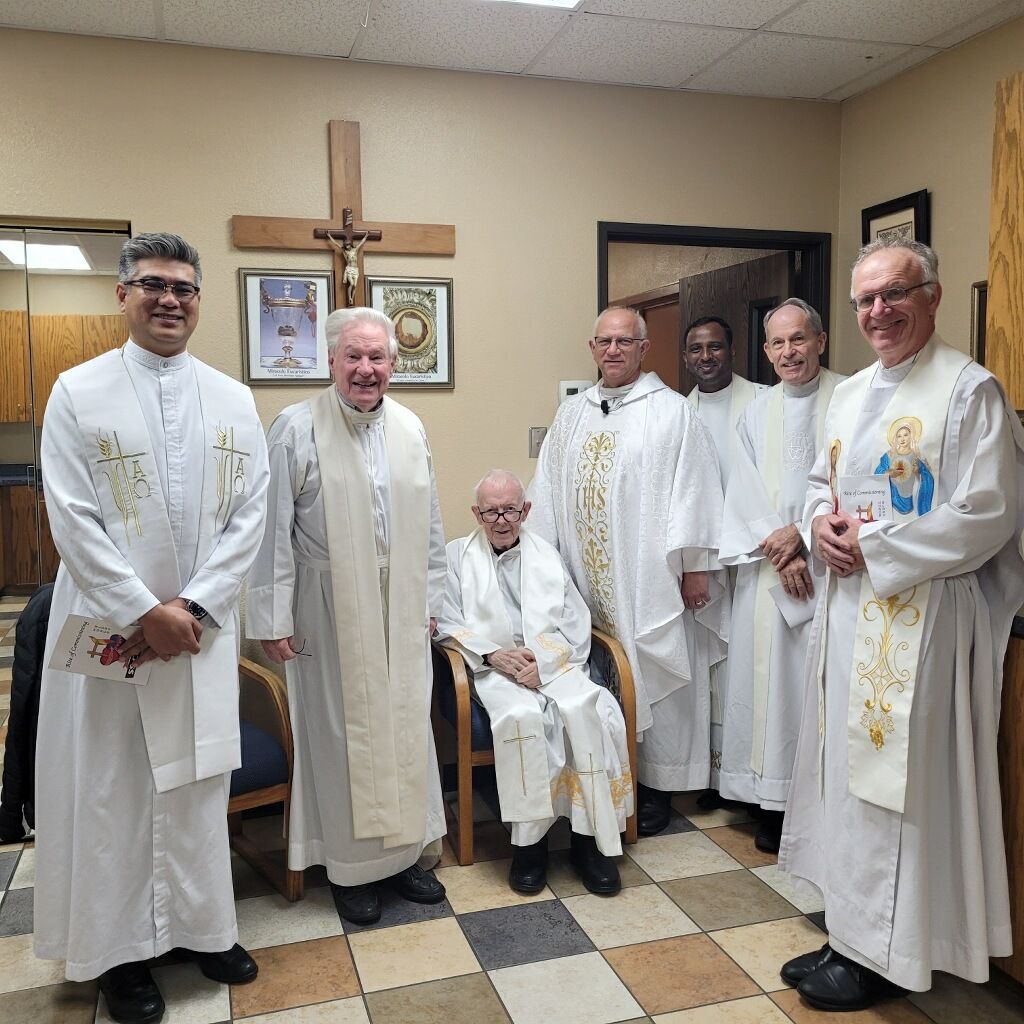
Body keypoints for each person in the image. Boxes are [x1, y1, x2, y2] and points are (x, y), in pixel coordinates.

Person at [779, 240, 1024, 1011]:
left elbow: (987, 514)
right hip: (852, 615)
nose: (877, 312)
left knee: (897, 790)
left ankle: (887, 953)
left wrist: (874, 544)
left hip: (922, 626)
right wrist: (818, 523)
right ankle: (850, 932)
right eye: (864, 301)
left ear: (934, 294)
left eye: (894, 294)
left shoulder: (968, 392)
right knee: (848, 782)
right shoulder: (849, 396)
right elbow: (822, 481)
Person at [34, 233, 270, 1024]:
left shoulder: (234, 398)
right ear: (122, 294)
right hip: (115, 630)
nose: (170, 299)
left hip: (199, 634)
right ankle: (120, 954)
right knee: (116, 791)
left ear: (199, 300)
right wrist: (145, 611)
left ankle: (206, 929)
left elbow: (250, 517)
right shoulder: (77, 391)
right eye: (153, 285)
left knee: (199, 784)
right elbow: (70, 516)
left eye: (184, 288)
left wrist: (194, 610)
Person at [247, 306, 447, 926]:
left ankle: (408, 855)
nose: (366, 369)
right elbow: (269, 528)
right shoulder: (295, 428)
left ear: (393, 364)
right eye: (353, 357)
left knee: (405, 727)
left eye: (377, 357)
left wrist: (435, 604)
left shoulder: (411, 428)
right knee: (340, 734)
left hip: (402, 603)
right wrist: (272, 615)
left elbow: (432, 526)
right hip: (327, 605)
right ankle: (350, 868)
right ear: (329, 361)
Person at [528, 306, 726, 836]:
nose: (613, 351)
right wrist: (541, 566)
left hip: (646, 577)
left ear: (644, 349)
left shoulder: (671, 413)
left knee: (652, 669)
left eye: (625, 342)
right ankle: (600, 774)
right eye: (604, 342)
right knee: (593, 670)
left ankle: (656, 783)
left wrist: (696, 566)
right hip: (582, 575)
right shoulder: (572, 414)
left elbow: (695, 491)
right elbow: (544, 492)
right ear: (592, 348)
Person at [437, 469, 632, 895]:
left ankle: (589, 844)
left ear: (525, 510)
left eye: (510, 509)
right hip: (494, 669)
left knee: (588, 710)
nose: (502, 520)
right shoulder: (455, 557)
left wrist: (544, 663)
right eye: (491, 511)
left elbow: (575, 621)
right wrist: (493, 654)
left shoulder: (547, 556)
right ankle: (530, 848)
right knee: (522, 716)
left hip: (551, 663)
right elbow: (445, 620)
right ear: (477, 513)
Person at [716, 299, 843, 852]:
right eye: (778, 344)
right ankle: (765, 798)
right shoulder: (756, 412)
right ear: (766, 352)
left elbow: (860, 485)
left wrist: (805, 537)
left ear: (821, 340)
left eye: (799, 340)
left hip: (831, 568)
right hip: (770, 569)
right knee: (762, 683)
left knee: (811, 686)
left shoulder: (851, 399)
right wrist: (782, 545)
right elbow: (740, 485)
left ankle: (810, 801)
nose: (788, 352)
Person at [683, 315, 767, 801]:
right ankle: (713, 773)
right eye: (696, 349)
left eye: (715, 347)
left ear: (733, 350)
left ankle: (745, 773)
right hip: (703, 560)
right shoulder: (678, 409)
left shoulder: (760, 401)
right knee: (709, 668)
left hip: (753, 558)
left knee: (747, 666)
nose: (706, 357)